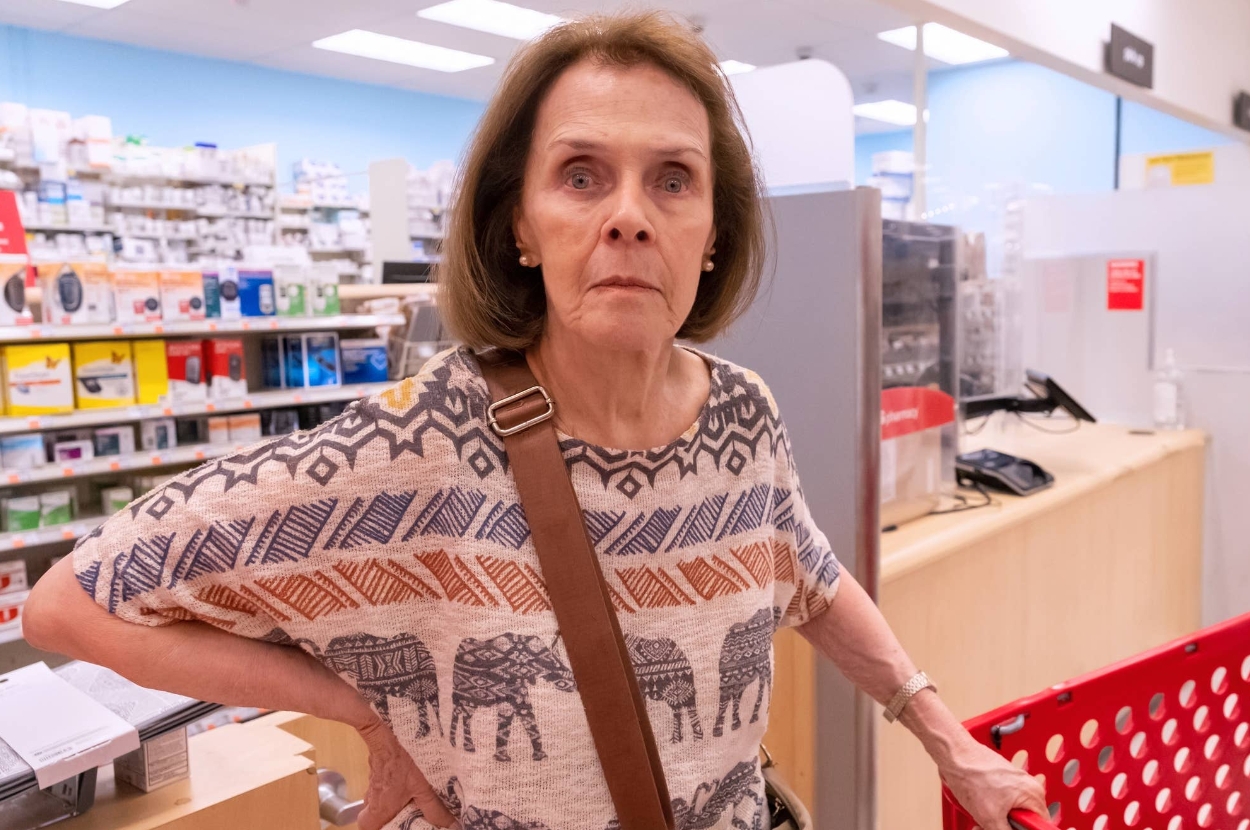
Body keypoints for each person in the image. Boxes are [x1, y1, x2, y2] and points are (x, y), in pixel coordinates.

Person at [24, 11, 1046, 830]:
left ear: (709, 233)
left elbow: (812, 583)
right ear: (520, 223)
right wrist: (360, 704)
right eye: (581, 174)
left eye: (672, 179)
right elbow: (71, 605)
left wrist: (943, 735)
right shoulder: (419, 446)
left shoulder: (742, 410)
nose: (629, 214)